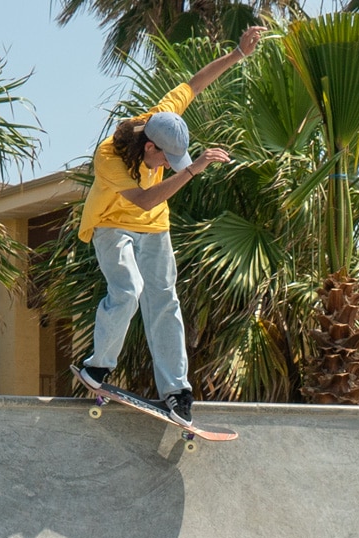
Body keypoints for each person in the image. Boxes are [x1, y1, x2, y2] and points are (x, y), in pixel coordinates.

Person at [73, 25, 267, 425]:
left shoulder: (164, 119)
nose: (166, 167)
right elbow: (143, 199)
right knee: (128, 289)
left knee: (164, 300)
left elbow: (194, 84)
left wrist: (238, 54)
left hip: (154, 227)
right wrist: (193, 170)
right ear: (149, 146)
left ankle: (177, 392)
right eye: (165, 161)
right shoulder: (109, 157)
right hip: (111, 224)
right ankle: (97, 367)